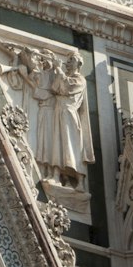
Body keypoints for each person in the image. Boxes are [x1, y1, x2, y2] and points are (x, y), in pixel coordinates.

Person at [41, 54, 94, 186]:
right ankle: (57, 176)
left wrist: (58, 69)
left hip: (69, 115)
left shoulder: (80, 80)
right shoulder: (66, 76)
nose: (68, 62)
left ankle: (80, 183)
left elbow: (66, 88)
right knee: (57, 144)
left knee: (72, 147)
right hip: (59, 112)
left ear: (79, 65)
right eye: (68, 60)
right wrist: (53, 69)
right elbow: (54, 88)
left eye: (72, 60)